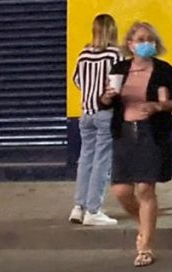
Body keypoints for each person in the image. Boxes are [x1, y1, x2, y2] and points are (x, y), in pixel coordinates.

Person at [98, 21, 172, 267]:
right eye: (141, 39)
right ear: (130, 44)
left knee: (145, 189)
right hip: (124, 133)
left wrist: (158, 106)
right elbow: (104, 102)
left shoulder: (163, 70)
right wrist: (106, 97)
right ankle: (145, 225)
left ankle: (145, 246)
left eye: (150, 39)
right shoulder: (120, 69)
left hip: (151, 134)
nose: (146, 43)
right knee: (121, 191)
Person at [69, 14, 123, 227]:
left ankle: (78, 206)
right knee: (102, 161)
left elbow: (76, 80)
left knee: (85, 160)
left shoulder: (83, 54)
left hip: (85, 113)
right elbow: (116, 85)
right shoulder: (114, 54)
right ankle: (94, 209)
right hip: (105, 113)